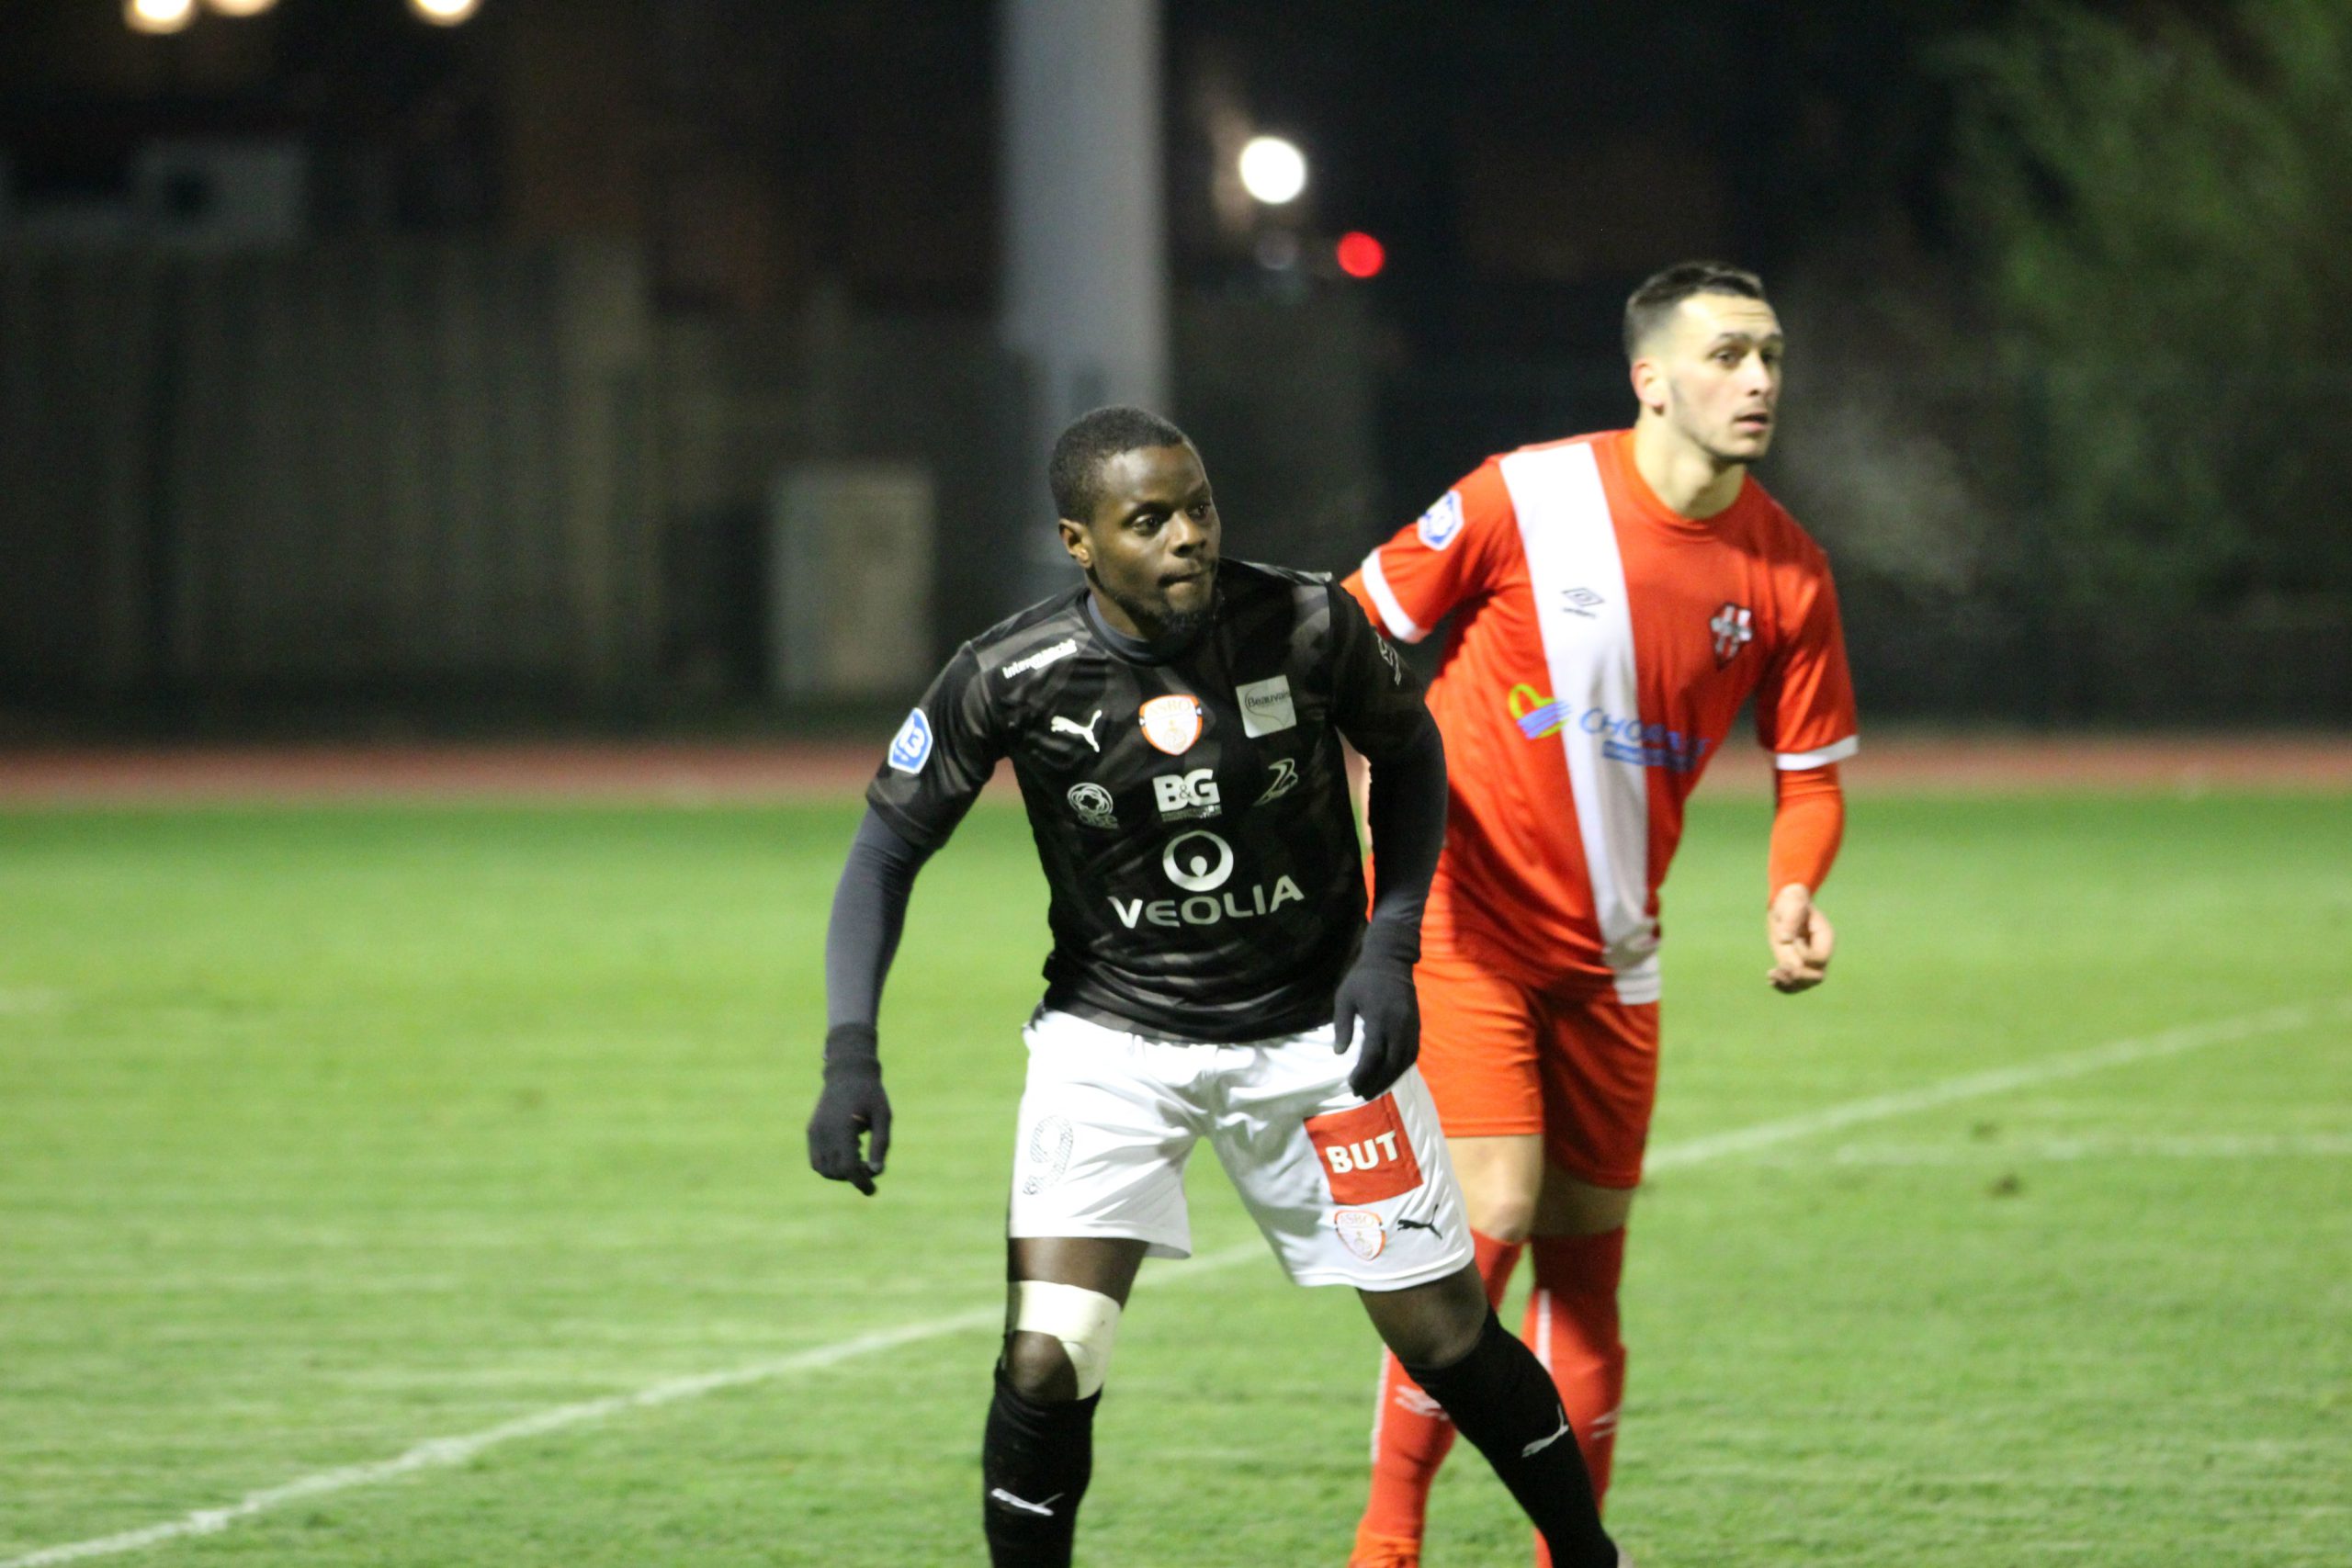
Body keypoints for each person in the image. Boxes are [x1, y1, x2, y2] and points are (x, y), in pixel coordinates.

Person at [807, 405, 1630, 1568]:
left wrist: (1389, 946)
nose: (1187, 535)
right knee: (1048, 1355)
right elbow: (884, 851)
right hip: (1112, 1045)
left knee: (1446, 1339)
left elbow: (1410, 753)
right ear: (1079, 542)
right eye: (1148, 520)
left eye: (1197, 508)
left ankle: (1591, 1559)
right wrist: (850, 1054)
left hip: (1317, 1045)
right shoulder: (1010, 673)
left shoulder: (1305, 621)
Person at [1340, 263, 1860, 1568]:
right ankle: (1386, 1540)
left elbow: (1809, 778)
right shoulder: (1522, 496)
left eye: (1771, 355)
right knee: (1493, 1211)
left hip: (1615, 957)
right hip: (1461, 923)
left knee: (1586, 1275)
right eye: (1728, 354)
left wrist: (1794, 885)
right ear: (1650, 378)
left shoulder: (1788, 574)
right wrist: (1358, 772)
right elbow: (1353, 624)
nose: (1758, 380)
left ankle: (1570, 1552)